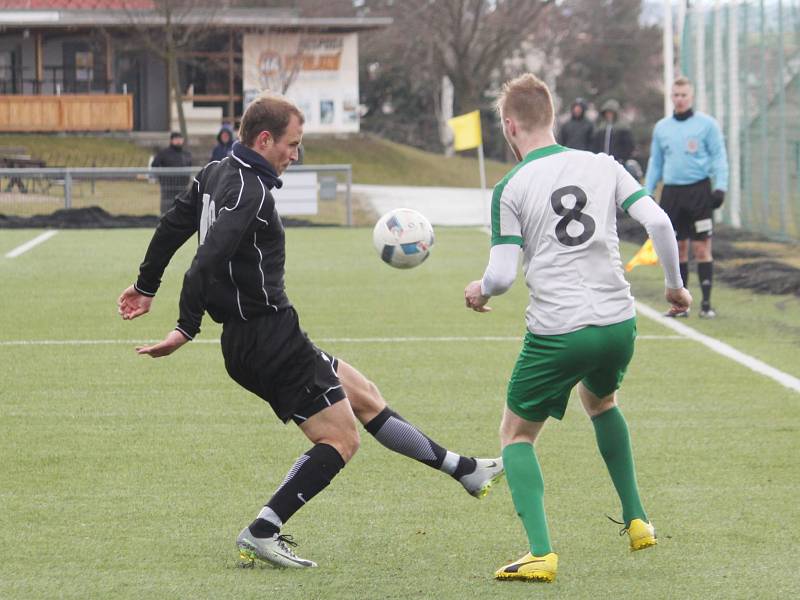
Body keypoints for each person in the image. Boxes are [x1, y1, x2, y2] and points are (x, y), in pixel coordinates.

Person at [118, 93, 503, 570]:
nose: (295, 155)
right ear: (264, 139)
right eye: (292, 144)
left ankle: (463, 469)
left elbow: (173, 225)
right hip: (265, 337)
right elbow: (206, 260)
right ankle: (264, 529)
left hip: (266, 334)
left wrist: (145, 284)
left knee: (362, 393)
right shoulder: (251, 191)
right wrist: (184, 327)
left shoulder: (216, 173)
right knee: (341, 440)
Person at [463, 73, 691, 583]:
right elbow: (658, 224)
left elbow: (500, 276)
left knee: (515, 433)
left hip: (559, 330)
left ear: (509, 125)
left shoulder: (510, 186)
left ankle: (540, 552)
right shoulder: (602, 164)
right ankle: (638, 521)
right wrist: (675, 286)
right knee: (601, 401)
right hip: (617, 322)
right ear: (553, 115)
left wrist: (479, 289)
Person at [645, 76, 729, 319]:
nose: (680, 99)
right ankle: (683, 305)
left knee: (702, 248)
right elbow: (656, 162)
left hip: (699, 192)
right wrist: (647, 191)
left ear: (691, 97)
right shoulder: (662, 128)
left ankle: (706, 304)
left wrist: (720, 187)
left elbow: (719, 157)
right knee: (677, 248)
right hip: (672, 193)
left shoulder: (707, 125)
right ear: (671, 97)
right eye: (676, 95)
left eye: (684, 95)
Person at [151, 131, 193, 215]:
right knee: (167, 210)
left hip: (182, 188)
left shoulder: (187, 154)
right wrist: (162, 178)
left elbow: (189, 168)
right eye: (176, 139)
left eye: (180, 139)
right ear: (171, 140)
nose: (178, 141)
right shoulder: (164, 153)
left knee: (182, 210)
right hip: (168, 188)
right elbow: (154, 165)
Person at [591, 98, 635, 164]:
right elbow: (595, 144)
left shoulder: (622, 127)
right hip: (602, 161)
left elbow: (628, 145)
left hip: (617, 161)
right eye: (607, 113)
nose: (608, 115)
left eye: (611, 113)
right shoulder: (601, 127)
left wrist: (623, 158)